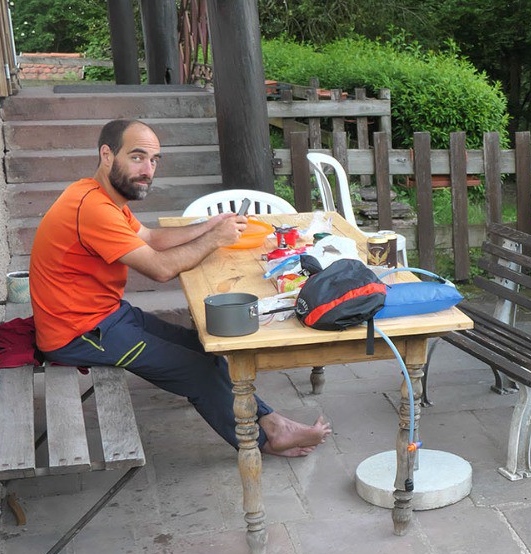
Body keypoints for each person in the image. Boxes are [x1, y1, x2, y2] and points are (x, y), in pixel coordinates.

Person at [29, 118, 330, 455]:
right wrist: (214, 239)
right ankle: (265, 440)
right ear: (107, 155)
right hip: (78, 333)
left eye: (155, 160)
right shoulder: (93, 209)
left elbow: (151, 238)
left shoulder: (98, 196)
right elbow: (160, 268)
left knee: (206, 346)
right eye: (138, 157)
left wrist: (210, 225)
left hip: (104, 316)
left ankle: (274, 422)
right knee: (197, 370)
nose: (148, 170)